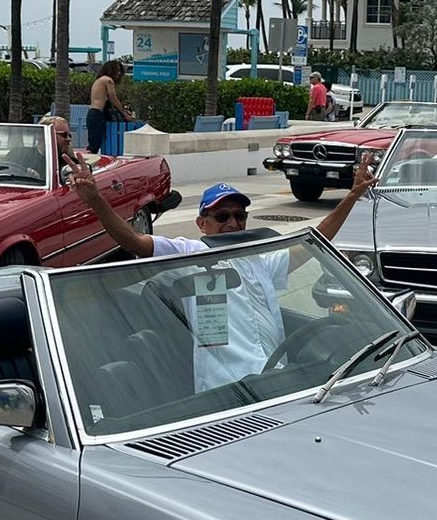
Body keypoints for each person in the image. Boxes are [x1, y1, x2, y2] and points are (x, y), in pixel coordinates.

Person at [70, 152, 378, 392]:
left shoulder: (258, 259)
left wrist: (351, 196)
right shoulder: (189, 253)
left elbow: (317, 239)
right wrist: (96, 200)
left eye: (239, 216)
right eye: (222, 216)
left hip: (278, 379)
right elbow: (133, 241)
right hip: (228, 391)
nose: (232, 223)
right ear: (202, 223)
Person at [87, 61, 129, 152]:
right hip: (97, 114)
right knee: (94, 145)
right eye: (117, 70)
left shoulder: (99, 80)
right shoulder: (108, 80)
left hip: (92, 113)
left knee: (93, 143)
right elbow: (114, 98)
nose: (119, 73)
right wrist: (124, 113)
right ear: (111, 70)